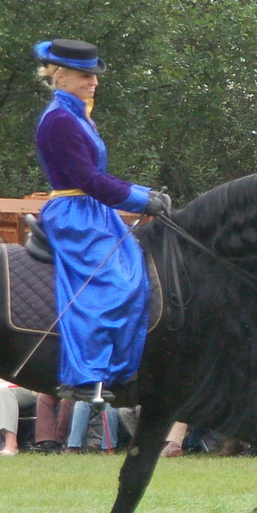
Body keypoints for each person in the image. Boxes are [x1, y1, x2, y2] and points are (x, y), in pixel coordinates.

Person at [31, 39, 170, 403]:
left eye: (94, 76)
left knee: (137, 272)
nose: (94, 82)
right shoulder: (60, 120)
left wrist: (146, 192)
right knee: (114, 284)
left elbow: (95, 178)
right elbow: (88, 180)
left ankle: (122, 371)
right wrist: (141, 198)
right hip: (75, 213)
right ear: (60, 76)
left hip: (94, 209)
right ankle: (85, 376)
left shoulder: (78, 114)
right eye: (85, 76)